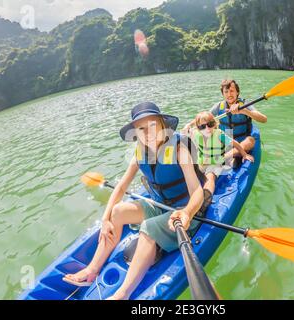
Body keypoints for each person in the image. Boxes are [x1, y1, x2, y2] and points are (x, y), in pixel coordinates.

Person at [63, 102, 205, 300]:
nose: (148, 133)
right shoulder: (140, 153)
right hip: (160, 207)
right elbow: (120, 187)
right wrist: (105, 219)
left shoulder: (179, 149)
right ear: (136, 133)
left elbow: (197, 190)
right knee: (118, 211)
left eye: (153, 125)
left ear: (163, 124)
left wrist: (187, 213)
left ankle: (122, 294)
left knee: (149, 226)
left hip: (184, 213)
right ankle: (92, 270)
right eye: (142, 129)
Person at [184, 79, 267, 165]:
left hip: (242, 141)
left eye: (232, 91)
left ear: (237, 92)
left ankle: (224, 158)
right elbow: (203, 118)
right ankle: (231, 157)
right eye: (226, 92)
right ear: (223, 94)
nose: (229, 94)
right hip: (225, 142)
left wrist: (245, 111)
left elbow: (264, 119)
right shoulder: (219, 106)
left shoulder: (245, 104)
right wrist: (189, 124)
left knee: (251, 140)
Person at [192, 111, 254, 204]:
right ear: (198, 128)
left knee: (210, 177)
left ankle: (204, 200)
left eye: (210, 124)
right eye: (202, 126)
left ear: (215, 124)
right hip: (202, 163)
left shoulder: (219, 135)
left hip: (216, 163)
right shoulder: (196, 134)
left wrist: (244, 154)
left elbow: (235, 143)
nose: (207, 129)